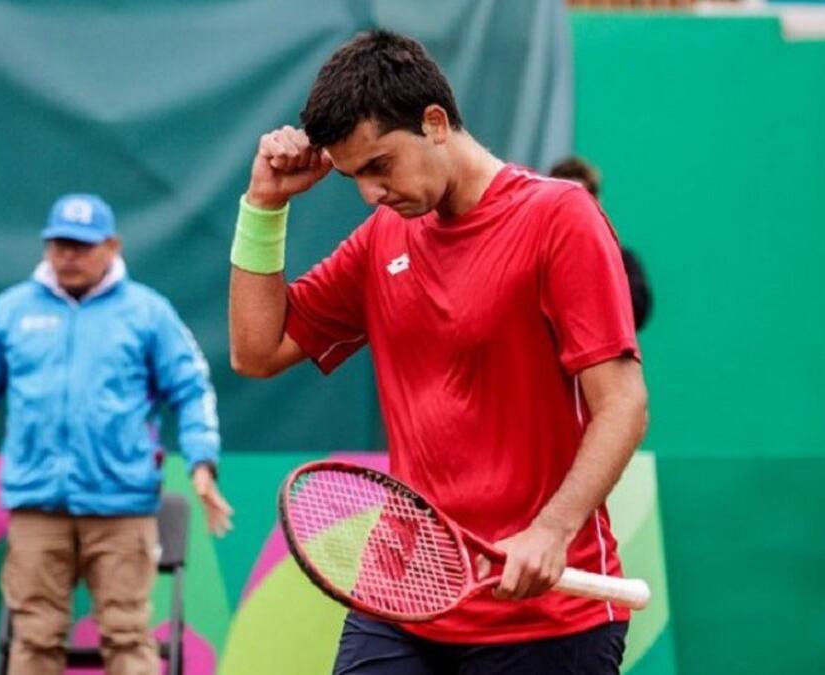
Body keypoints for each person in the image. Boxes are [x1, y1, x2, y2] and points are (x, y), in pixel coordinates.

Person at [228, 30, 648, 675]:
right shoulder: (382, 238)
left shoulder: (559, 218)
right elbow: (256, 352)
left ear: (435, 123)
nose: (370, 192)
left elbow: (621, 403)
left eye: (379, 165)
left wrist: (553, 529)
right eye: (354, 177)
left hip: (543, 613)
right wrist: (262, 207)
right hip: (402, 595)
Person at [0, 194, 233, 674]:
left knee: (127, 637)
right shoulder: (11, 311)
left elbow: (191, 388)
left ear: (112, 245)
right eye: (59, 244)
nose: (68, 255)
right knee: (33, 641)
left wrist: (201, 464)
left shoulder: (148, 313)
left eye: (81, 244)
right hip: (37, 507)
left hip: (123, 508)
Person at [548, 156, 653, 331]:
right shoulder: (533, 262)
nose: (571, 210)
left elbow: (637, 309)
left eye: (578, 200)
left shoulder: (621, 260)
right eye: (561, 199)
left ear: (596, 201)